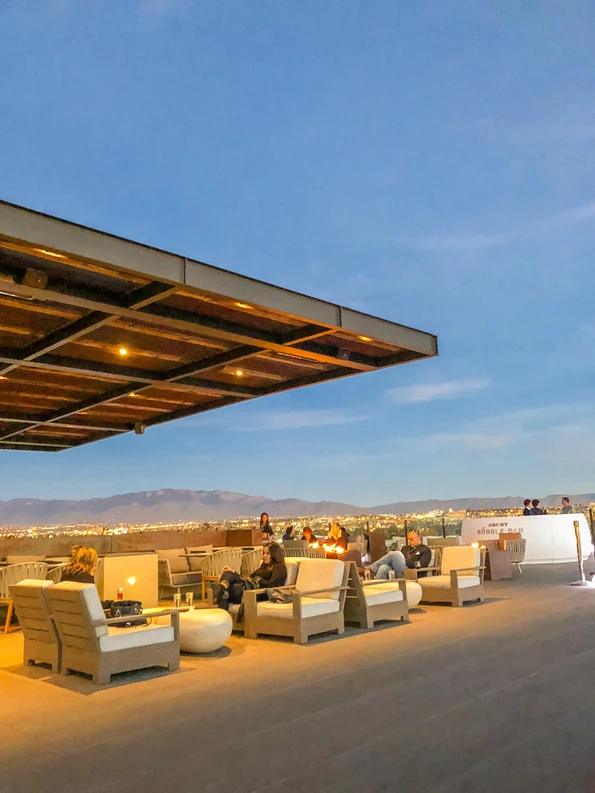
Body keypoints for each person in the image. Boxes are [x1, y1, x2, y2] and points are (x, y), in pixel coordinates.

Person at [216, 543, 287, 614]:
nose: (264, 556)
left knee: (225, 591)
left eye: (267, 553)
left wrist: (259, 580)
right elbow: (250, 577)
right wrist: (234, 572)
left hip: (256, 593)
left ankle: (222, 612)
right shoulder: (264, 566)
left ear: (275, 554)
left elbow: (272, 585)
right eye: (263, 553)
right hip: (247, 587)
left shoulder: (279, 568)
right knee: (228, 572)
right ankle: (224, 585)